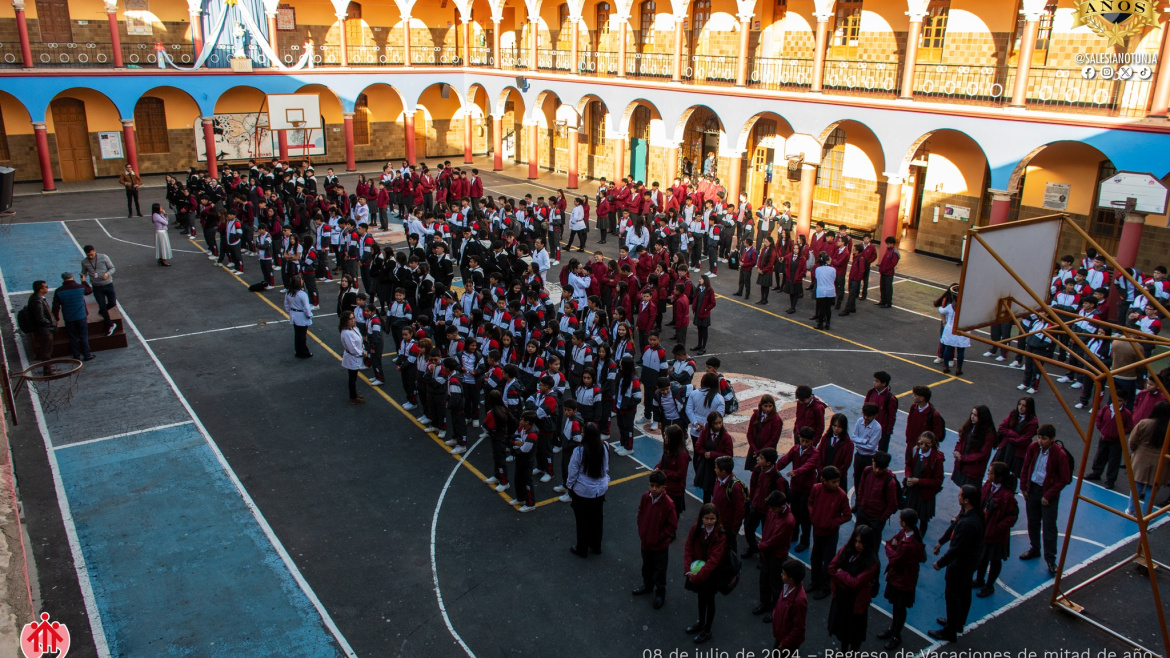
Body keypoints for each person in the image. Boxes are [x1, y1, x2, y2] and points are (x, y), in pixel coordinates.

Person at [929, 484, 986, 643]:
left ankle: (949, 631)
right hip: (969, 563)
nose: (958, 496)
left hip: (961, 565)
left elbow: (956, 549)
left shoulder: (969, 523)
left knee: (953, 596)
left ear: (966, 500)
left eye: (960, 495)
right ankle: (957, 623)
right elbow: (954, 527)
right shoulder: (972, 514)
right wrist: (941, 541)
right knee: (964, 593)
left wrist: (940, 563)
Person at [1019, 424, 1072, 574]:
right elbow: (1026, 466)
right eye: (1039, 437)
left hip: (1048, 492)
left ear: (1052, 439)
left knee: (1049, 527)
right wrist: (1024, 487)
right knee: (1033, 521)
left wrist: (1049, 495)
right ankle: (1034, 548)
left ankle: (1050, 559)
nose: (1040, 441)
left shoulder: (1060, 454)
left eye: (1044, 438)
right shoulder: (1033, 447)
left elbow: (1065, 478)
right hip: (1033, 489)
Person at [827, 525, 880, 652]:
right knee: (843, 632)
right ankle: (844, 651)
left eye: (861, 542)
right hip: (842, 598)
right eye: (856, 541)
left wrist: (841, 574)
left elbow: (856, 583)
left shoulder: (872, 562)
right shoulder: (847, 550)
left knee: (855, 634)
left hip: (856, 602)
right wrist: (847, 580)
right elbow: (831, 568)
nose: (857, 545)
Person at [878, 508, 926, 650]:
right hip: (900, 577)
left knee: (900, 607)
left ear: (904, 523)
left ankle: (896, 635)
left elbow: (895, 558)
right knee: (896, 605)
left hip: (903, 579)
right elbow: (893, 542)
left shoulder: (909, 545)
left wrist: (891, 549)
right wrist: (892, 546)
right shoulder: (906, 535)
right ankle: (893, 629)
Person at [633, 470, 678, 609]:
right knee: (646, 567)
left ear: (664, 487)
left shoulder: (668, 504)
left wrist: (660, 538)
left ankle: (660, 594)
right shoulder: (645, 497)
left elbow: (672, 526)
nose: (653, 489)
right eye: (651, 485)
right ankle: (647, 586)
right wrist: (642, 529)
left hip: (659, 546)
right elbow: (640, 513)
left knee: (659, 571)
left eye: (657, 486)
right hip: (646, 542)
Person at [683, 503, 727, 645]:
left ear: (717, 519)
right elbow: (688, 547)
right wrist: (688, 570)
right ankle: (701, 622)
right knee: (701, 598)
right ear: (701, 517)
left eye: (712, 519)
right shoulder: (696, 528)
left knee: (709, 599)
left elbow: (714, 560)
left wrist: (697, 576)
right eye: (706, 518)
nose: (709, 521)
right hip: (696, 572)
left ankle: (707, 629)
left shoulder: (720, 534)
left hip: (710, 574)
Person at [973, 462, 1019, 598]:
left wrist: (996, 528)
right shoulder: (988, 486)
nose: (989, 474)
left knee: (994, 560)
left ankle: (989, 586)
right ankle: (979, 579)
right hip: (985, 530)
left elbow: (1012, 516)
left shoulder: (1007, 497)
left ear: (999, 477)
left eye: (992, 473)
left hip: (996, 535)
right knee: (982, 558)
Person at [808, 465, 851, 599]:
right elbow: (810, 503)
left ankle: (825, 587)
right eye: (833, 482)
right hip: (817, 530)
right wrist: (814, 516)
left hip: (831, 533)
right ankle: (815, 581)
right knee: (815, 557)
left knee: (828, 561)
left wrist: (832, 523)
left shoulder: (841, 495)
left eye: (838, 481)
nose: (836, 484)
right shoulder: (816, 489)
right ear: (824, 480)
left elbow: (847, 515)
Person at [568, 422, 610, 557]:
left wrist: (570, 487)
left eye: (582, 432)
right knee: (597, 518)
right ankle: (596, 545)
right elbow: (606, 468)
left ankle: (582, 548)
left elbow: (572, 472)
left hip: (583, 491)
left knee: (582, 520)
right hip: (600, 489)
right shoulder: (605, 447)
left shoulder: (579, 451)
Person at [755, 490, 795, 621]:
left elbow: (777, 540)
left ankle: (775, 609)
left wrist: (762, 545)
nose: (771, 510)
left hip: (777, 554)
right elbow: (766, 527)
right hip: (767, 550)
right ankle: (764, 602)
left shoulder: (788, 521)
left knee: (776, 583)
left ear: (782, 506)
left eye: (773, 507)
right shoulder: (773, 511)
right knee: (764, 578)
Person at [1127, 401, 1170, 515]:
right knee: (1152, 488)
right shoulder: (1168, 428)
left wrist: (1136, 450)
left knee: (1137, 485)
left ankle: (1131, 509)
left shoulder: (1144, 423)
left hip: (1141, 457)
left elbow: (1133, 440)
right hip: (1161, 460)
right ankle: (1147, 513)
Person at [904, 431, 945, 539]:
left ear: (933, 444)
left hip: (925, 494)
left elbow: (938, 481)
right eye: (921, 443)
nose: (923, 447)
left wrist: (918, 481)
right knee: (908, 515)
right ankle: (907, 536)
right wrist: (908, 477)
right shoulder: (914, 451)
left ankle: (919, 539)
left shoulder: (937, 459)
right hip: (913, 491)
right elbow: (908, 465)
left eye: (927, 444)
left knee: (923, 518)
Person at [51, 273, 94, 362]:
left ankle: (76, 355)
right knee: (83, 335)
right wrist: (84, 281)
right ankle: (87, 354)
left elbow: (55, 306)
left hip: (69, 317)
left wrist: (57, 318)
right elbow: (89, 290)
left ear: (63, 279)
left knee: (72, 336)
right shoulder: (80, 287)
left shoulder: (59, 291)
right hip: (81, 316)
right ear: (72, 277)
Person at [693, 409, 732, 504]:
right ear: (710, 424)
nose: (718, 425)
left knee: (717, 494)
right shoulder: (705, 433)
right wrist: (704, 453)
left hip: (719, 468)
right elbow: (698, 446)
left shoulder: (726, 437)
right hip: (706, 467)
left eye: (720, 423)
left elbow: (729, 455)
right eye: (716, 423)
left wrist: (712, 455)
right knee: (706, 492)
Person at [952, 405, 995, 488]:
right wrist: (957, 451)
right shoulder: (970, 426)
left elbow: (983, 454)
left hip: (973, 470)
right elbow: (961, 441)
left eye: (975, 415)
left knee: (970, 492)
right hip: (962, 466)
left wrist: (964, 458)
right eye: (972, 414)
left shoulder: (988, 434)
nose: (972, 417)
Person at [994, 396, 1038, 477]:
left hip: (1017, 453)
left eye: (1024, 406)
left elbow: (1025, 439)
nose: (1020, 407)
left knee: (1010, 475)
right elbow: (1001, 428)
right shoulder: (1013, 414)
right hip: (1005, 448)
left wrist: (1010, 438)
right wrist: (1015, 435)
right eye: (1019, 404)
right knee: (996, 470)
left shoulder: (1033, 422)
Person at [770, 560, 808, 653]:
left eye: (784, 574)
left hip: (787, 642)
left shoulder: (799, 601)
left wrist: (786, 643)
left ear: (791, 579)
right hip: (781, 634)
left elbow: (799, 628)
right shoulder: (787, 586)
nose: (781, 575)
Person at [81, 245, 118, 336]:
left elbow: (112, 268)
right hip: (96, 286)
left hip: (108, 284)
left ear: (94, 251)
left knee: (112, 303)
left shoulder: (104, 257)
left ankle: (102, 312)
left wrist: (107, 274)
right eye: (88, 255)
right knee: (102, 305)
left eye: (91, 254)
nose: (90, 256)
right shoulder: (84, 262)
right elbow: (84, 272)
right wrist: (83, 277)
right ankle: (110, 324)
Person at [656, 424, 691, 513]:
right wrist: (657, 467)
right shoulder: (669, 449)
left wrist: (663, 472)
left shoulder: (682, 456)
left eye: (667, 436)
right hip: (665, 488)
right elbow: (663, 461)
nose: (665, 438)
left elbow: (679, 475)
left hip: (674, 492)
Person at [938, 284, 969, 375]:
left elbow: (942, 311)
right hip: (962, 329)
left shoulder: (951, 306)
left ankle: (945, 366)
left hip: (951, 328)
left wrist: (940, 307)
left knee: (949, 347)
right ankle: (959, 368)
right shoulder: (967, 307)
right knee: (961, 350)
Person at [25, 281, 55, 373]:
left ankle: (48, 367)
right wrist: (49, 324)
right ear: (41, 289)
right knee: (46, 350)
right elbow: (40, 318)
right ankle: (47, 370)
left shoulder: (36, 298)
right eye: (46, 286)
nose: (47, 288)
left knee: (46, 349)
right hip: (44, 330)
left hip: (43, 329)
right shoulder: (38, 301)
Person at [283, 275, 313, 359]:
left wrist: (290, 312)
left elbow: (286, 304)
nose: (302, 281)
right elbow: (306, 308)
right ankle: (303, 352)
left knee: (297, 334)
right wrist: (310, 315)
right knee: (302, 335)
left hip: (294, 315)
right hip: (301, 316)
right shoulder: (302, 294)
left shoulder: (289, 293)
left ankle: (298, 350)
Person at [339, 311, 366, 404]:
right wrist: (361, 353)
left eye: (353, 318)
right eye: (350, 319)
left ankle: (354, 395)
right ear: (345, 320)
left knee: (353, 378)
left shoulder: (353, 328)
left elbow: (359, 341)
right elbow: (352, 348)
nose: (353, 320)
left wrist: (362, 349)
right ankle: (353, 397)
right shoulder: (346, 333)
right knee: (352, 378)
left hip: (355, 356)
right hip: (353, 358)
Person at [812, 252, 836, 331]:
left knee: (821, 308)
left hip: (821, 290)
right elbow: (833, 278)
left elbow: (817, 278)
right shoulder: (833, 269)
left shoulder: (818, 269)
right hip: (830, 290)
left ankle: (820, 324)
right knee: (828, 308)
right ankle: (828, 323)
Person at [877, 236, 899, 308]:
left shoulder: (894, 253)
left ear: (892, 244)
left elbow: (892, 264)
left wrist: (885, 268)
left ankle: (888, 302)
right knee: (882, 287)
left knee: (888, 288)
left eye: (888, 244)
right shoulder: (888, 250)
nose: (887, 245)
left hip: (888, 273)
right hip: (883, 272)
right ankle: (883, 301)